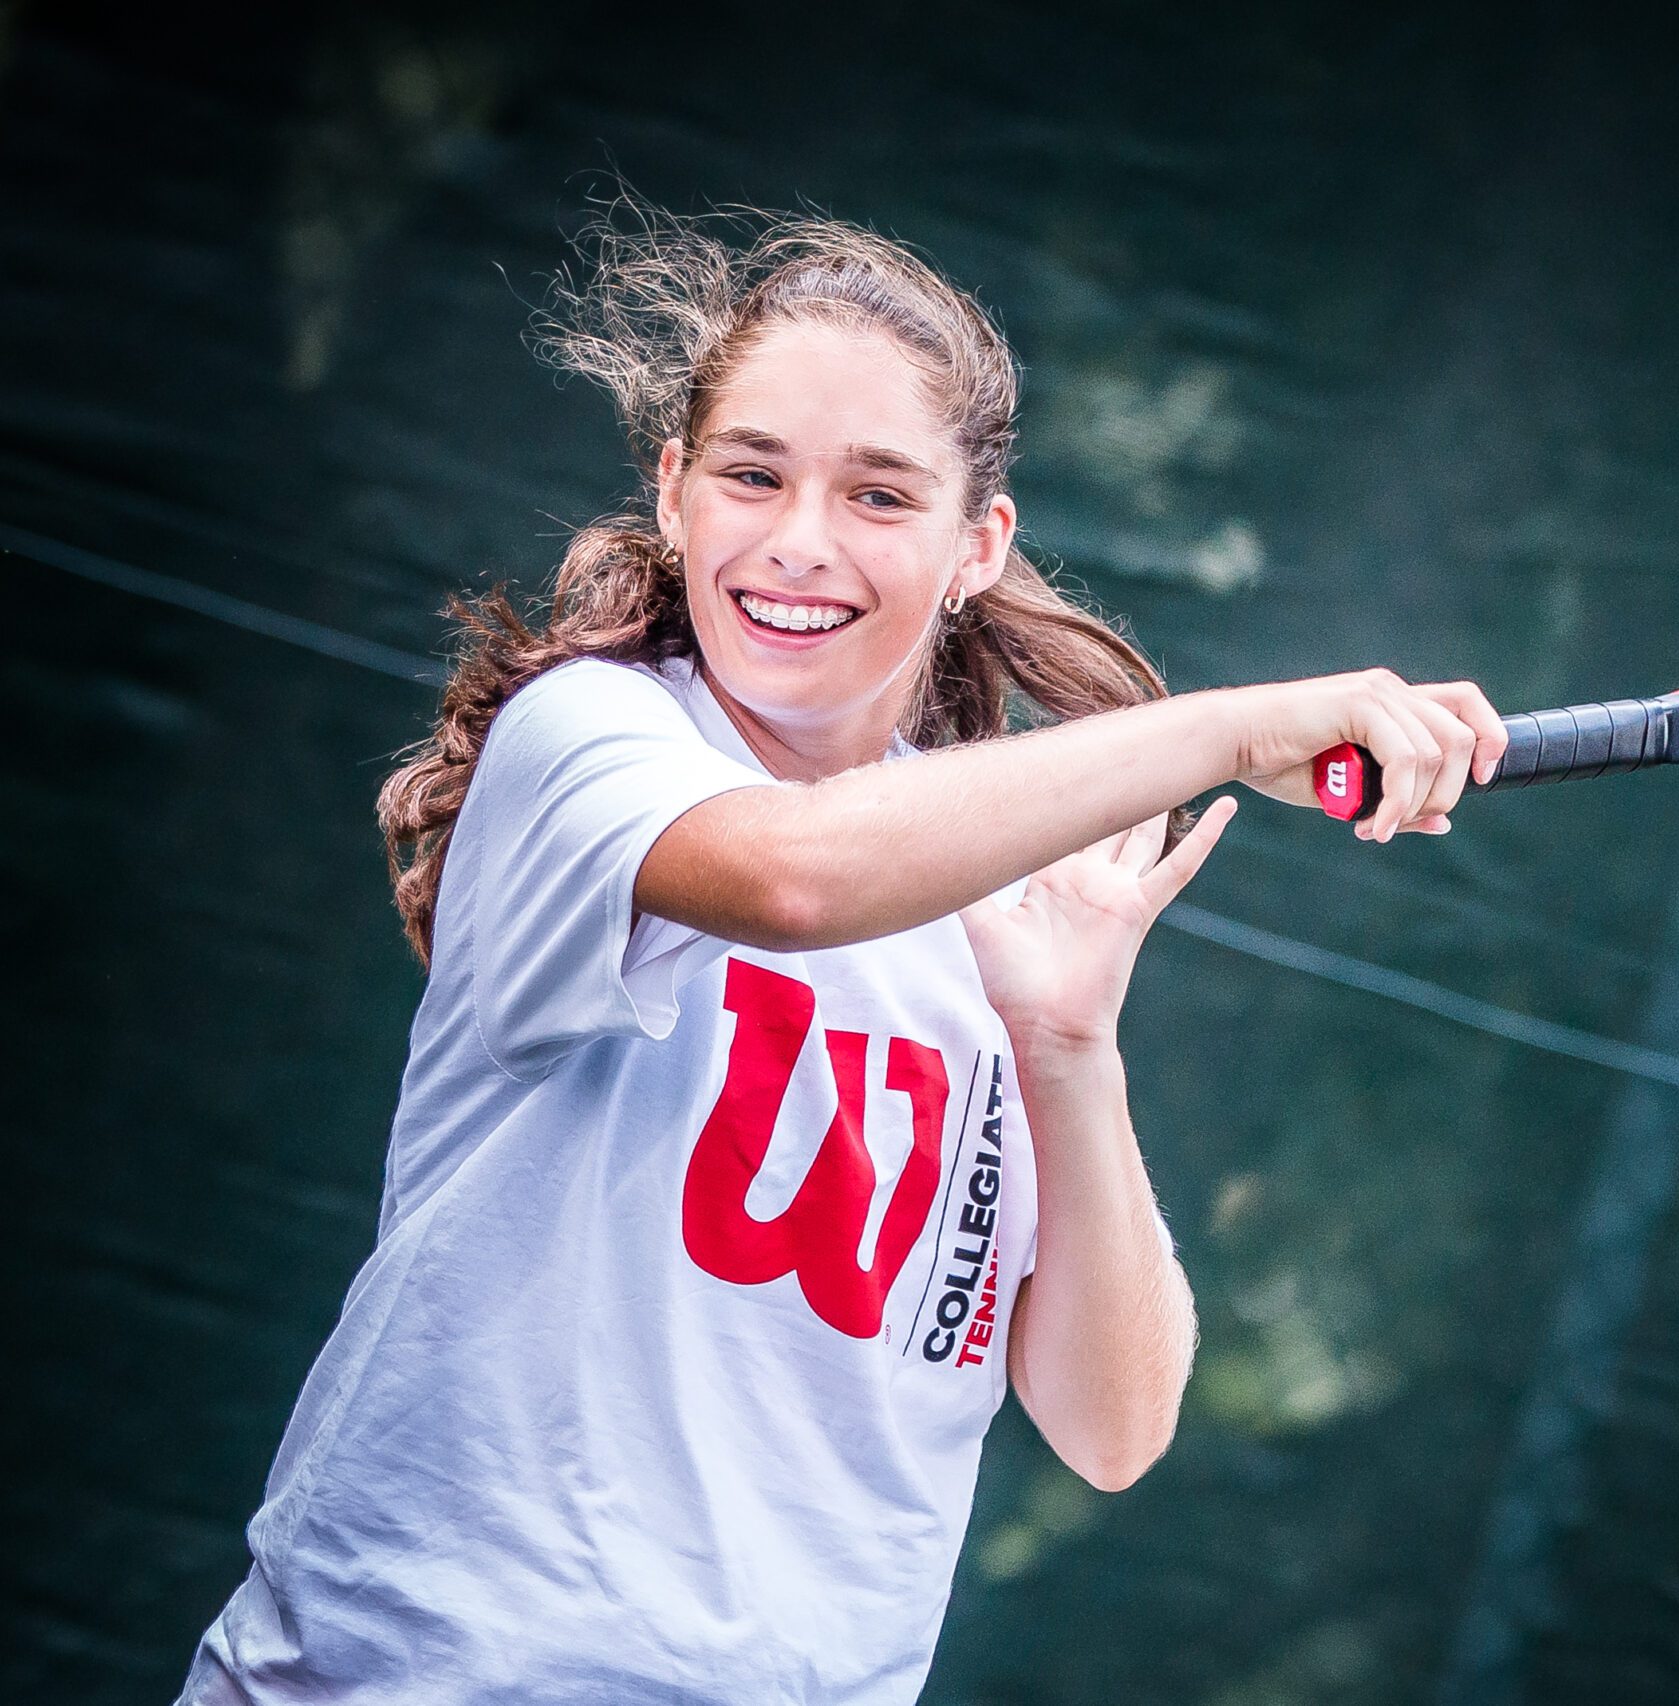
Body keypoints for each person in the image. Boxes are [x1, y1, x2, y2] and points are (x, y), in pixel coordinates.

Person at [176, 201, 1504, 1705]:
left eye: (880, 495)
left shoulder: (982, 884)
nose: (800, 541)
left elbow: (1113, 1428)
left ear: (973, 548)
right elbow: (797, 882)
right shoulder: (594, 741)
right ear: (675, 496)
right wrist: (1231, 727)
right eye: (754, 474)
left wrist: (1069, 1050)